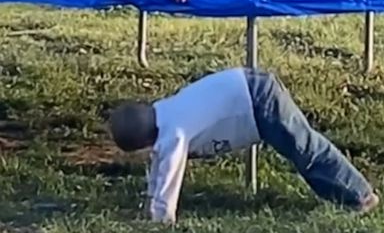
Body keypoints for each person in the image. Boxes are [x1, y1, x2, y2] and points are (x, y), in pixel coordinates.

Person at [108, 67, 379, 224]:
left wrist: (159, 216)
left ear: (145, 140)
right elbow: (160, 161)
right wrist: (149, 202)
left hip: (258, 98)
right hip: (249, 91)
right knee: (302, 148)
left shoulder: (174, 132)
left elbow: (168, 171)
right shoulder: (163, 112)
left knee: (305, 149)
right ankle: (354, 194)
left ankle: (359, 195)